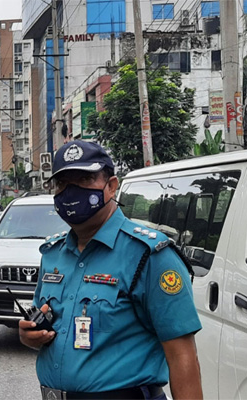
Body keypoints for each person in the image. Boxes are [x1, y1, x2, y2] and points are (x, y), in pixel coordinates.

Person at [18, 141, 203, 399]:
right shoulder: (52, 254)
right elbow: (43, 323)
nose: (70, 191)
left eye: (84, 179)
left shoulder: (149, 255)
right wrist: (29, 335)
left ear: (112, 185)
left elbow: (182, 356)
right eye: (62, 184)